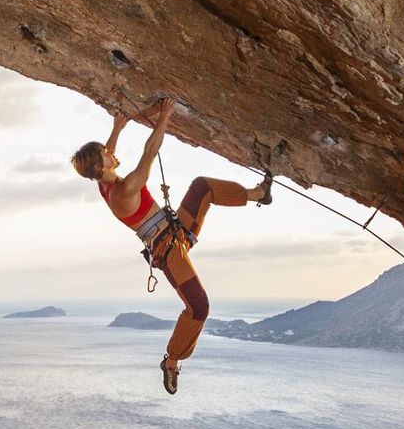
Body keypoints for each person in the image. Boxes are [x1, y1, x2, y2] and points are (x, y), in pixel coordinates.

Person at [71, 96, 271, 394]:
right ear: (101, 165)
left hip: (176, 229)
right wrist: (165, 115)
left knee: (203, 186)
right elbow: (150, 152)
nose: (111, 152)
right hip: (168, 250)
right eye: (106, 153)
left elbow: (106, 152)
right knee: (199, 306)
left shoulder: (103, 180)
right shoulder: (123, 191)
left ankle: (258, 194)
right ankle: (172, 360)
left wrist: (117, 127)